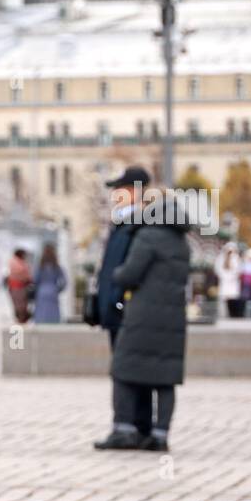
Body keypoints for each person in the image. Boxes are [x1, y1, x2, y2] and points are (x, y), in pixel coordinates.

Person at [93, 180, 190, 453]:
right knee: (166, 376)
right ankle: (159, 435)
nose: (140, 207)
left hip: (143, 314)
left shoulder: (147, 235)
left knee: (123, 369)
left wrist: (115, 275)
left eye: (145, 203)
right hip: (173, 317)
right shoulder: (181, 239)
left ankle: (124, 429)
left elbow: (130, 274)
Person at [94, 166, 153, 439]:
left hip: (129, 312)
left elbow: (131, 271)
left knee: (128, 369)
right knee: (125, 368)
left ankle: (130, 427)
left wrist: (117, 303)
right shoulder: (122, 224)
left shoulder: (140, 225)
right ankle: (133, 427)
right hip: (117, 312)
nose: (115, 194)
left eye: (120, 189)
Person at [32, 243, 67, 324]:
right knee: (53, 314)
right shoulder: (56, 267)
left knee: (41, 312)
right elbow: (64, 282)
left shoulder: (40, 267)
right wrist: (58, 289)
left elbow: (34, 280)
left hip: (41, 291)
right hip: (53, 290)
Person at [214, 241, 243, 319]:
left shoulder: (236, 258)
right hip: (224, 281)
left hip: (233, 282)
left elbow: (238, 270)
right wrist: (224, 276)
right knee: (223, 299)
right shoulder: (221, 258)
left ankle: (233, 315)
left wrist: (232, 276)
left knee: (233, 299)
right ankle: (223, 315)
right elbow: (218, 269)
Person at [5, 248, 32, 323]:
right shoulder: (16, 263)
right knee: (20, 306)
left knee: (20, 306)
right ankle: (21, 320)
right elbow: (23, 272)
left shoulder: (17, 262)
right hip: (18, 287)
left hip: (17, 287)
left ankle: (21, 320)